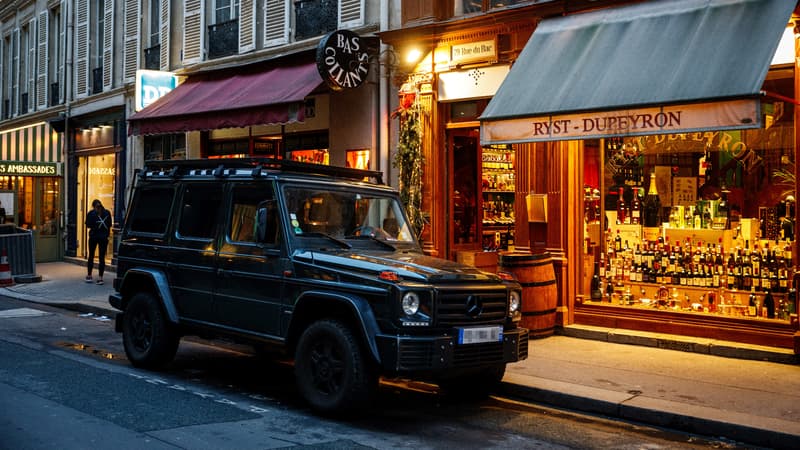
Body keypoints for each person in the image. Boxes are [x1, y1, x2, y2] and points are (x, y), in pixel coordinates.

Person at [85, 199, 112, 285]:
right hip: (103, 238)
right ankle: (100, 278)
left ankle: (89, 275)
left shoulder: (91, 213)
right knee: (101, 258)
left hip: (94, 237)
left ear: (93, 206)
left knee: (91, 256)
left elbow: (88, 225)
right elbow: (110, 224)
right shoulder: (107, 213)